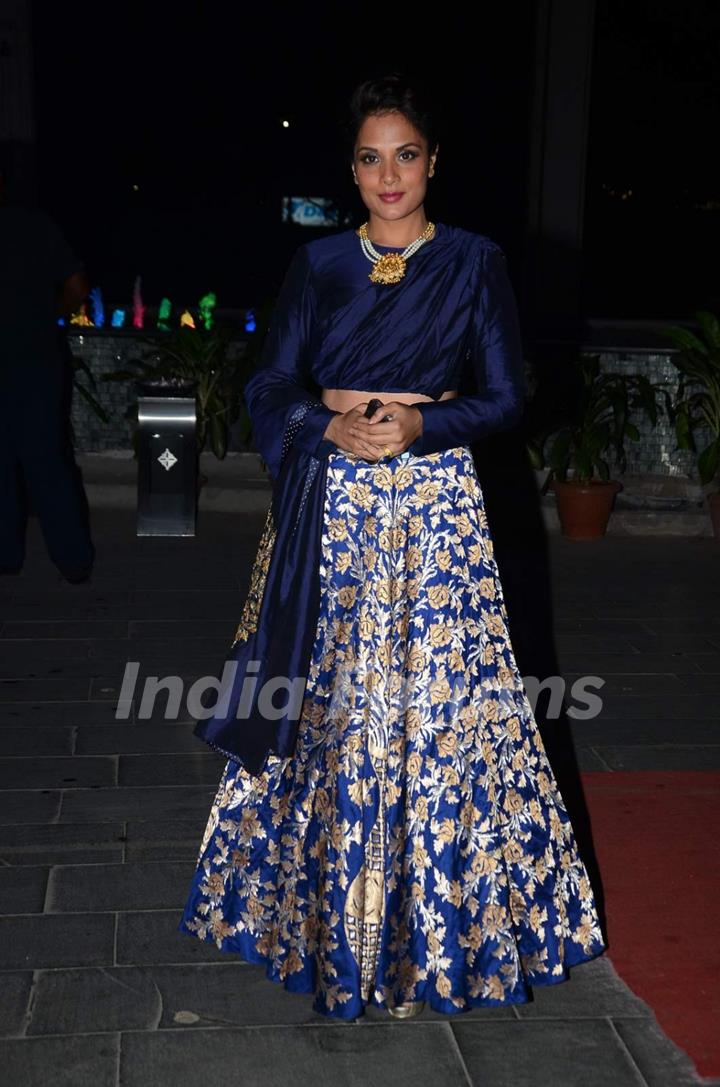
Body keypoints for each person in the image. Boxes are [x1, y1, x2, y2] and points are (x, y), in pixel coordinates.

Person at [179, 73, 606, 1019]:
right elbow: (271, 383)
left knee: (439, 721)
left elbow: (504, 398)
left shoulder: (475, 264)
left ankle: (428, 943)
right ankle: (328, 930)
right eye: (370, 158)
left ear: (433, 160)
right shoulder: (320, 265)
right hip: (334, 514)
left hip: (438, 517)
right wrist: (326, 430)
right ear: (353, 168)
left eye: (405, 154)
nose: (389, 175)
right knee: (336, 715)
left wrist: (422, 428)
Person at [0, 147, 95, 583]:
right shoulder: (36, 224)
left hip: (31, 357)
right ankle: (72, 559)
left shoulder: (33, 224)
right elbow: (77, 286)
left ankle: (10, 556)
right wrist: (45, 315)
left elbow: (76, 285)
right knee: (47, 459)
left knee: (26, 459)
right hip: (37, 356)